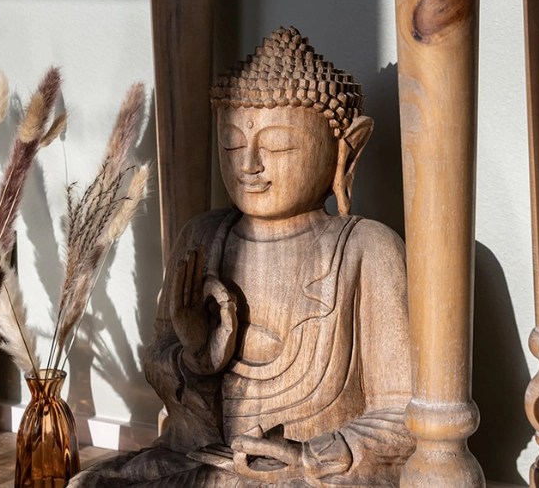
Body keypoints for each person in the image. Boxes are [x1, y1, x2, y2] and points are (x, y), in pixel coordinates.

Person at [70, 27, 414, 488]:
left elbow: (403, 412)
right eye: (232, 144)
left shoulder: (368, 249)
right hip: (201, 459)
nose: (249, 164)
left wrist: (310, 455)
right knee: (91, 483)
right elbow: (158, 358)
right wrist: (196, 357)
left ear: (345, 150)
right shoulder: (203, 236)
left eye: (279, 146)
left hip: (304, 475)